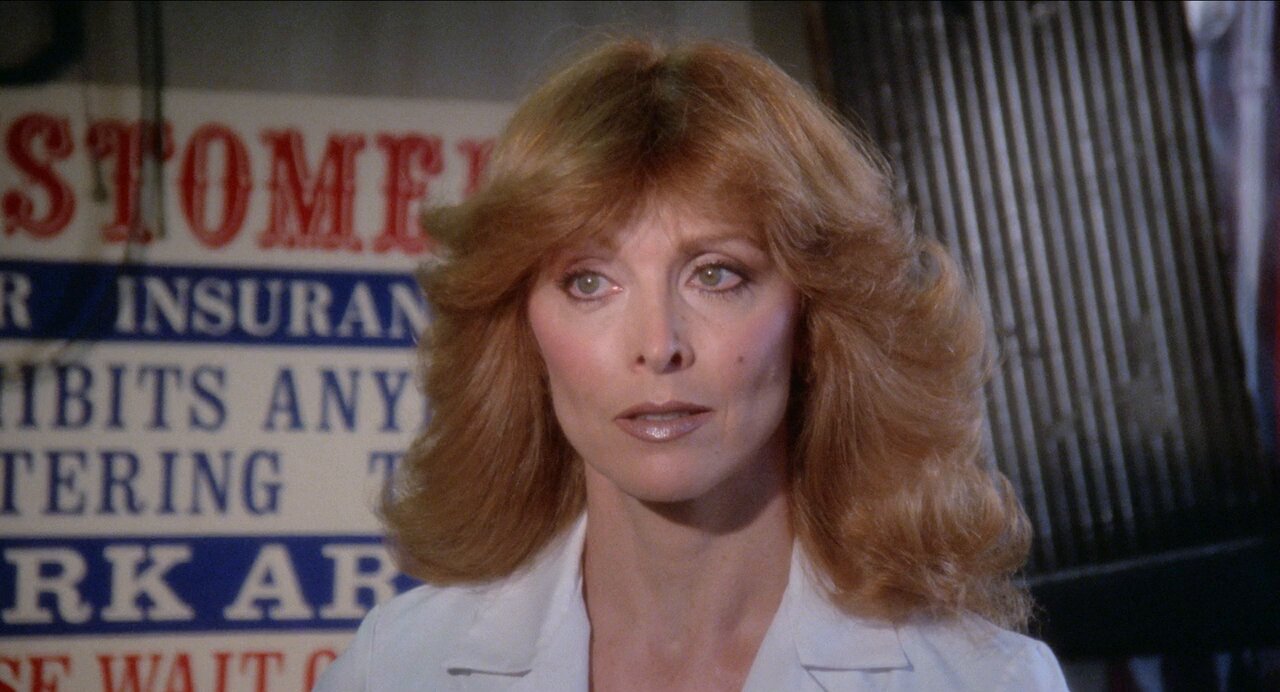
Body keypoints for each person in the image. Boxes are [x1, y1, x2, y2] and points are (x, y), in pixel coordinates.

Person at [316, 38, 1068, 691]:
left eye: (716, 274)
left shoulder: (987, 683)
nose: (658, 343)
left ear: (814, 321)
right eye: (589, 282)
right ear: (523, 333)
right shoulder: (396, 668)